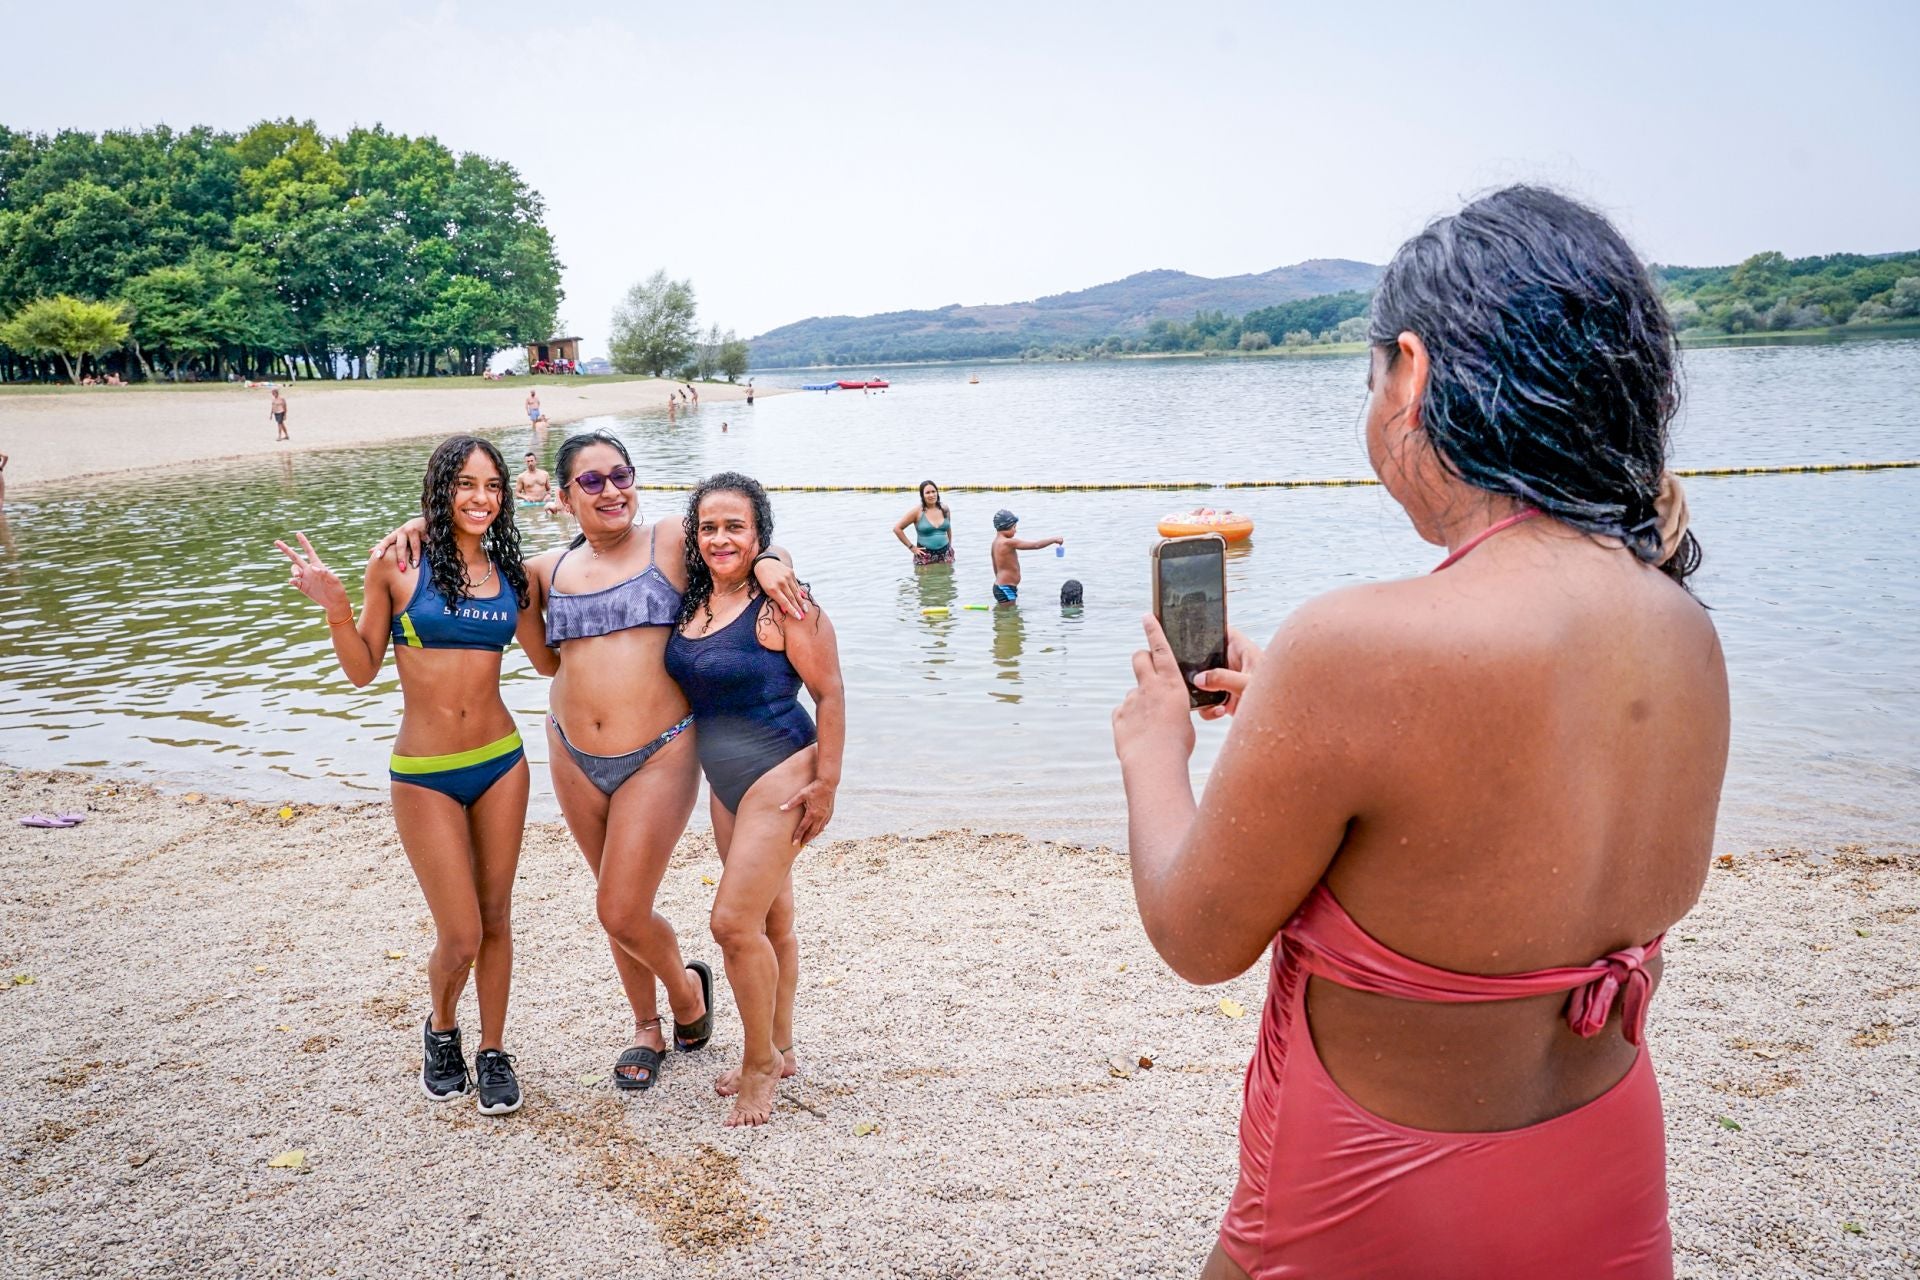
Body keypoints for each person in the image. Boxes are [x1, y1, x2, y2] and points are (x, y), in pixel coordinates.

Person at [1111, 186, 1724, 1279]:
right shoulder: (1682, 625)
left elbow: (1197, 938)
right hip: (1608, 1164)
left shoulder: (1354, 646)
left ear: (1413, 373)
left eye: (1370, 379)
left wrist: (1156, 749)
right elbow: (1514, 819)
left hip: (1375, 1193)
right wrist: (1305, 720)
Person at [373, 433, 810, 1095]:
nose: (611, 491)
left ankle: (686, 996)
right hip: (572, 754)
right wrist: (421, 524)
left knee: (620, 907)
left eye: (621, 475)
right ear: (562, 495)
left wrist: (776, 559)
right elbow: (478, 559)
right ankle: (647, 1027)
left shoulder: (670, 540)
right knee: (611, 898)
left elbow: (736, 538)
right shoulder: (542, 572)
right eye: (592, 481)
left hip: (661, 750)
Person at [275, 435, 541, 1117]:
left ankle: (494, 1050)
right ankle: (442, 1030)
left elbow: (552, 656)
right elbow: (362, 669)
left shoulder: (512, 574)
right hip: (425, 774)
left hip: (502, 762)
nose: (481, 498)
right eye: (466, 484)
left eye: (493, 486)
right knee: (461, 934)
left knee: (497, 918)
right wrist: (335, 605)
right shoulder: (398, 563)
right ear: (440, 489)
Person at [665, 472, 844, 1127]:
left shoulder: (784, 602)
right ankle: (783, 1046)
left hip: (782, 771)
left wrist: (827, 783)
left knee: (732, 925)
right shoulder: (693, 599)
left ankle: (760, 1064)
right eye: (709, 527)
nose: (721, 538)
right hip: (725, 782)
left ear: (759, 533)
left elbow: (830, 693)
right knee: (771, 920)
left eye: (735, 527)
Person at [989, 509, 1061, 604]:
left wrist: (1001, 582)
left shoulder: (995, 543)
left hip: (1001, 586)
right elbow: (1036, 545)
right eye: (1014, 527)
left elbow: (995, 566)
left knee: (1008, 612)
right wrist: (1053, 540)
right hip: (1005, 588)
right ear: (1007, 526)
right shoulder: (1008, 542)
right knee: (1009, 613)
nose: (1016, 530)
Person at [893, 481, 955, 566]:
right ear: (922, 495)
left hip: (946, 554)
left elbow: (948, 529)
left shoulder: (945, 508)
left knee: (947, 574)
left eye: (933, 491)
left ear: (937, 492)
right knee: (924, 575)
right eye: (927, 493)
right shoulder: (917, 512)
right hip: (925, 556)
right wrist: (912, 548)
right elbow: (897, 529)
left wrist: (950, 546)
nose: (931, 495)